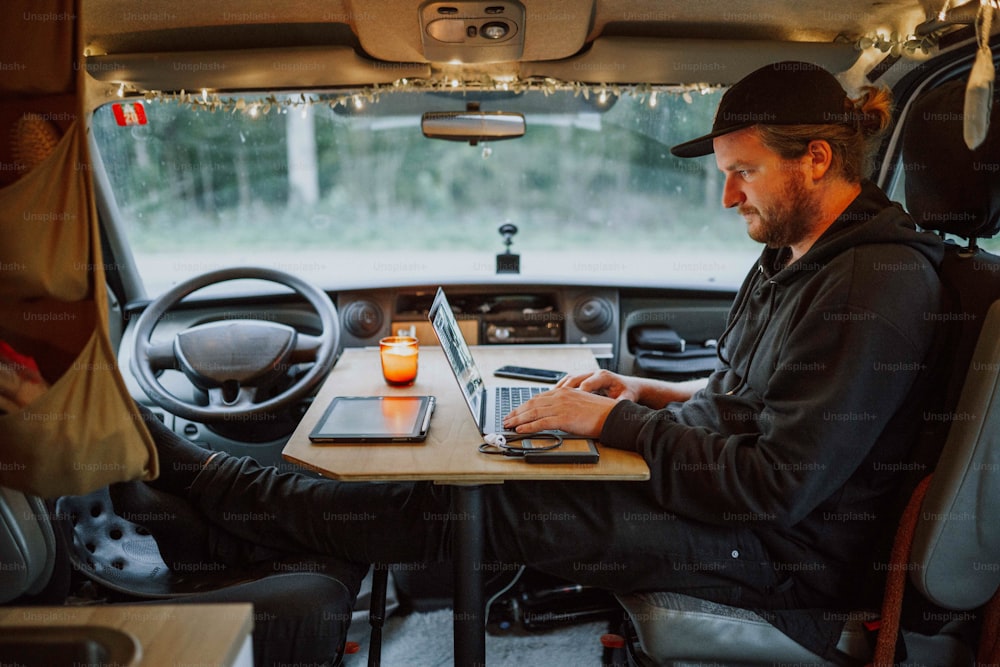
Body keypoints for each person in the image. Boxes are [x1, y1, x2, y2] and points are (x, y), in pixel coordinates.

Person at [108, 61, 944, 663]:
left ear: (818, 160)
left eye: (743, 173)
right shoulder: (802, 255)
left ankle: (212, 485)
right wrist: (647, 388)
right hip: (730, 509)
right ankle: (222, 499)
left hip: (776, 556)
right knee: (476, 484)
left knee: (487, 508)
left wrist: (613, 421)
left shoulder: (876, 281)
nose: (729, 197)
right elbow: (749, 395)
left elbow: (773, 484)